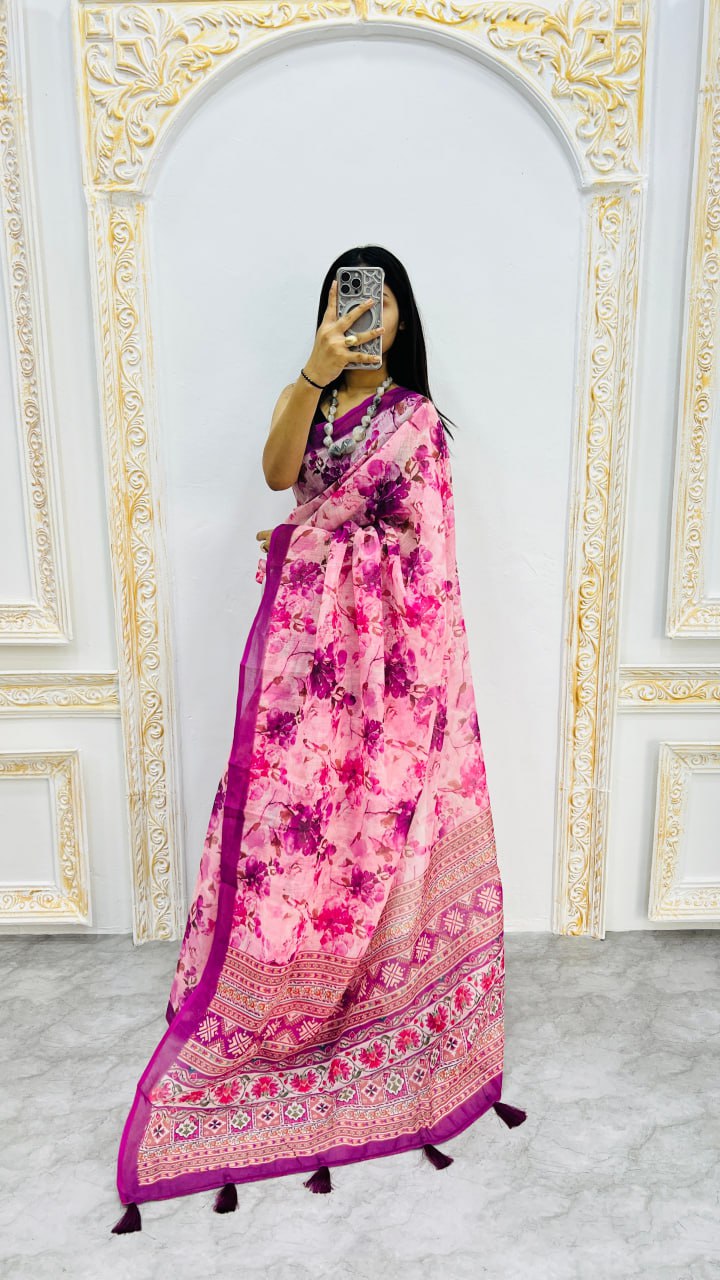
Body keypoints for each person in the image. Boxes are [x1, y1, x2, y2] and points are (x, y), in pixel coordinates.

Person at [112, 246, 525, 1234]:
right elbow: (276, 475)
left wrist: (308, 540)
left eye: (376, 302)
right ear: (328, 312)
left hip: (387, 682)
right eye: (347, 298)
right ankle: (275, 992)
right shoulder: (312, 399)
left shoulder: (416, 423)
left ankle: (367, 997)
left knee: (369, 836)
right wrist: (311, 377)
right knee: (289, 838)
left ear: (401, 315)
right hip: (304, 676)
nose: (363, 315)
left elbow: (422, 559)